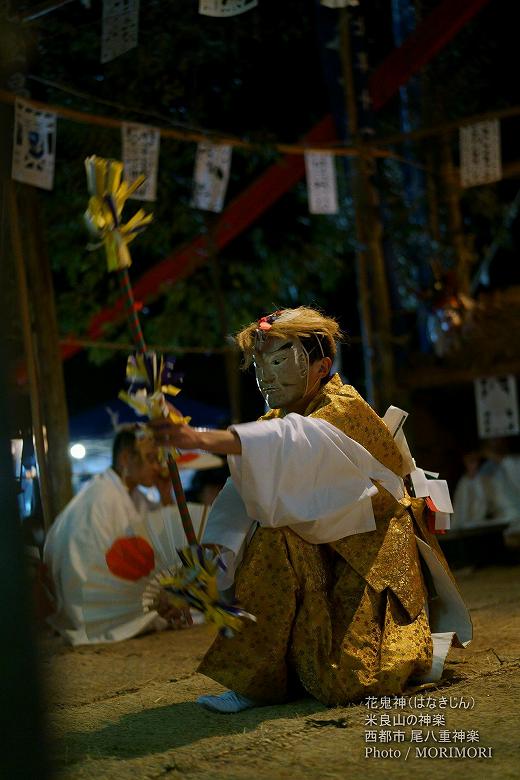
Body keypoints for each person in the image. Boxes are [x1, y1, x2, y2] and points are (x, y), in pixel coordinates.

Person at [152, 307, 472, 713]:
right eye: (259, 364)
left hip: (370, 562)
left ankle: (416, 645)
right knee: (270, 530)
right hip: (326, 556)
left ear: (322, 366)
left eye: (280, 359)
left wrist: (201, 438)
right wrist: (195, 582)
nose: (265, 375)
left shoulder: (344, 409)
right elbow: (235, 504)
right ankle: (255, 679)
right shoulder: (275, 422)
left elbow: (296, 440)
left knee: (347, 680)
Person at [44, 426, 192, 645]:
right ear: (125, 458)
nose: (157, 467)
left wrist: (165, 494)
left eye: (157, 459)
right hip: (88, 600)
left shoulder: (128, 493)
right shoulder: (102, 497)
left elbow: (166, 533)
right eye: (150, 458)